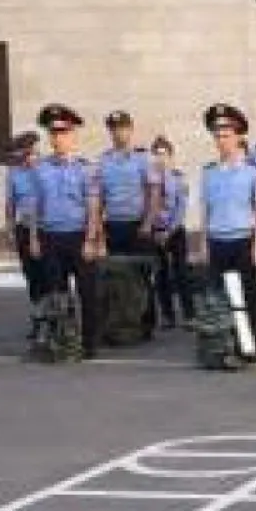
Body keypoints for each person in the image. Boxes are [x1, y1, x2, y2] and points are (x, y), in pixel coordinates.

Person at [26, 105, 103, 358]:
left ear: (73, 136)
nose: (57, 138)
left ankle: (90, 343)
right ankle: (63, 340)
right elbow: (35, 205)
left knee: (87, 293)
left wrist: (91, 240)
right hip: (50, 237)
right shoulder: (40, 169)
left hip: (78, 236)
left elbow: (93, 207)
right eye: (53, 133)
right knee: (57, 294)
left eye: (63, 133)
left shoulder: (86, 169)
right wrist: (34, 237)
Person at [199, 104, 256, 332]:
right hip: (217, 239)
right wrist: (203, 243)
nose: (221, 141)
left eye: (226, 136)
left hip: (243, 239)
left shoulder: (253, 172)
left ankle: (247, 345)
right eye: (217, 136)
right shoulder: (209, 172)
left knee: (246, 297)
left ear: (238, 137)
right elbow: (206, 209)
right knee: (218, 297)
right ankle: (222, 344)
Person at [98, 110, 162, 339]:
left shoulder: (143, 159)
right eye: (114, 129)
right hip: (113, 224)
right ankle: (117, 322)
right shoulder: (104, 161)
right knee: (114, 278)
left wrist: (147, 223)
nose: (119, 133)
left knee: (142, 276)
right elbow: (100, 196)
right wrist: (98, 228)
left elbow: (153, 193)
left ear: (131, 130)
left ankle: (147, 322)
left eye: (123, 128)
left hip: (137, 225)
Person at [149, 136, 195, 330]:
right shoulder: (149, 181)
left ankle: (189, 315)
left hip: (174, 232)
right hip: (154, 231)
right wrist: (154, 230)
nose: (160, 159)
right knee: (161, 276)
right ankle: (167, 315)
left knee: (181, 273)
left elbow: (181, 209)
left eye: (164, 155)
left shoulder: (178, 179)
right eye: (157, 155)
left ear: (170, 156)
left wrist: (169, 231)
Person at [4, 130, 47, 306]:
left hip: (46, 229)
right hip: (25, 227)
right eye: (27, 152)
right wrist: (10, 229)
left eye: (34, 152)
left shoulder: (46, 170)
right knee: (31, 273)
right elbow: (10, 203)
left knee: (49, 273)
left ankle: (55, 317)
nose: (31, 156)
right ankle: (38, 315)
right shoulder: (14, 174)